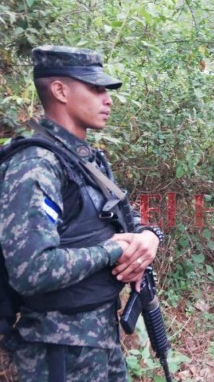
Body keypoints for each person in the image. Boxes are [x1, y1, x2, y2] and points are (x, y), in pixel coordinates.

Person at [0, 46, 163, 381]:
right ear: (60, 90)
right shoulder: (35, 165)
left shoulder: (87, 160)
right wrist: (114, 250)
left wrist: (149, 238)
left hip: (101, 339)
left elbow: (126, 217)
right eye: (96, 88)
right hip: (56, 351)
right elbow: (32, 270)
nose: (108, 99)